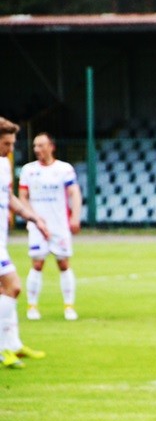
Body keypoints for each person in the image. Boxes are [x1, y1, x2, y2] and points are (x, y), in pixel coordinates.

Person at [0, 118, 49, 368]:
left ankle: (13, 346)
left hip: (1, 241)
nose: (11, 149)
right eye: (6, 143)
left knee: (5, 292)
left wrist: (33, 217)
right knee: (13, 287)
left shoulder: (4, 165)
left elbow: (7, 197)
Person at [19, 132, 82, 321]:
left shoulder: (64, 169)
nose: (37, 149)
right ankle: (32, 306)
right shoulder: (28, 170)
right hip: (37, 226)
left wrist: (75, 217)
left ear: (51, 147)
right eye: (35, 146)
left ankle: (69, 306)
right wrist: (34, 218)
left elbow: (74, 193)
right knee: (37, 263)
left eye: (40, 145)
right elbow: (23, 197)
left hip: (59, 225)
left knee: (63, 263)